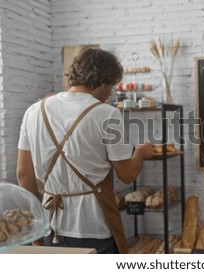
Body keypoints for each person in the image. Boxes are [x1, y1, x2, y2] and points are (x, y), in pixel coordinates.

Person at [16, 47, 154, 254]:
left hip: (49, 224)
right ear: (102, 81)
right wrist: (140, 154)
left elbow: (24, 175)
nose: (110, 93)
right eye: (111, 86)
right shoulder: (107, 114)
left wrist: (36, 223)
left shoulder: (34, 111)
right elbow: (127, 175)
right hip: (93, 227)